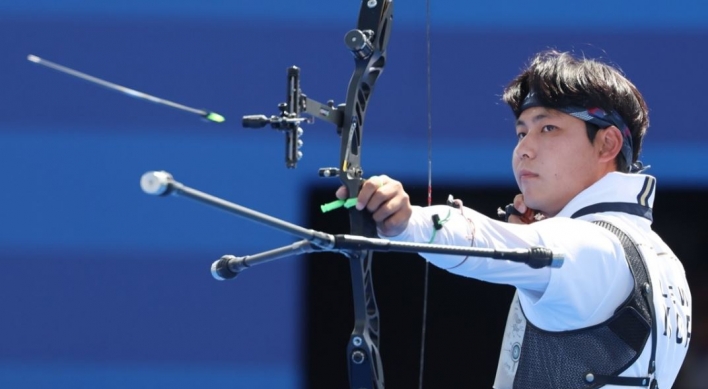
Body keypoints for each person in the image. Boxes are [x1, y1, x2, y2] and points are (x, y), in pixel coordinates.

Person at [336, 50, 692, 388]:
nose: (524, 148)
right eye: (521, 132)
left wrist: (407, 221)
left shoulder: (592, 247)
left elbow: (484, 239)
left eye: (547, 128)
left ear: (607, 144)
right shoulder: (663, 258)